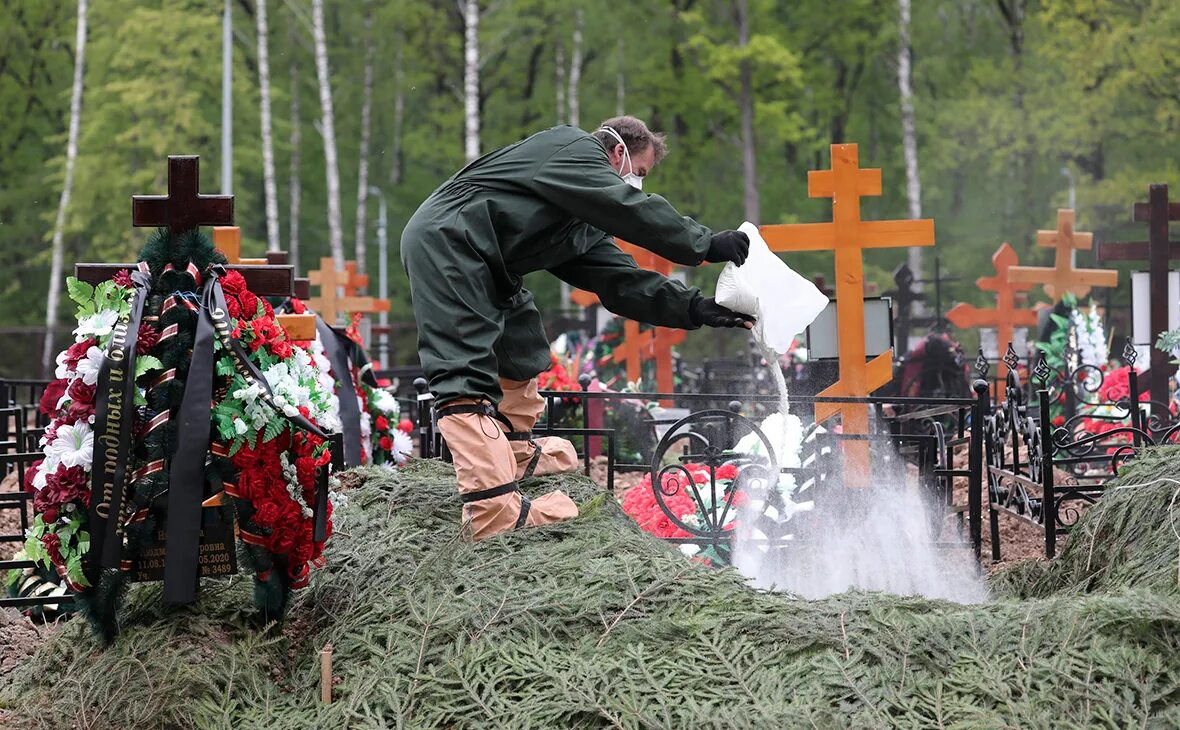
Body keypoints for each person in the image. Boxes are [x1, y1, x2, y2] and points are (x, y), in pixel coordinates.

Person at [401, 116, 754, 540]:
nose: (635, 184)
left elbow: (620, 280)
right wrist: (703, 243)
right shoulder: (571, 148)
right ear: (619, 151)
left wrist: (696, 308)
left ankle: (512, 451)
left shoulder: (577, 216)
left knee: (521, 342)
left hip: (489, 260)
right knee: (464, 369)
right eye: (638, 174)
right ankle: (492, 509)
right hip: (449, 241)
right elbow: (627, 207)